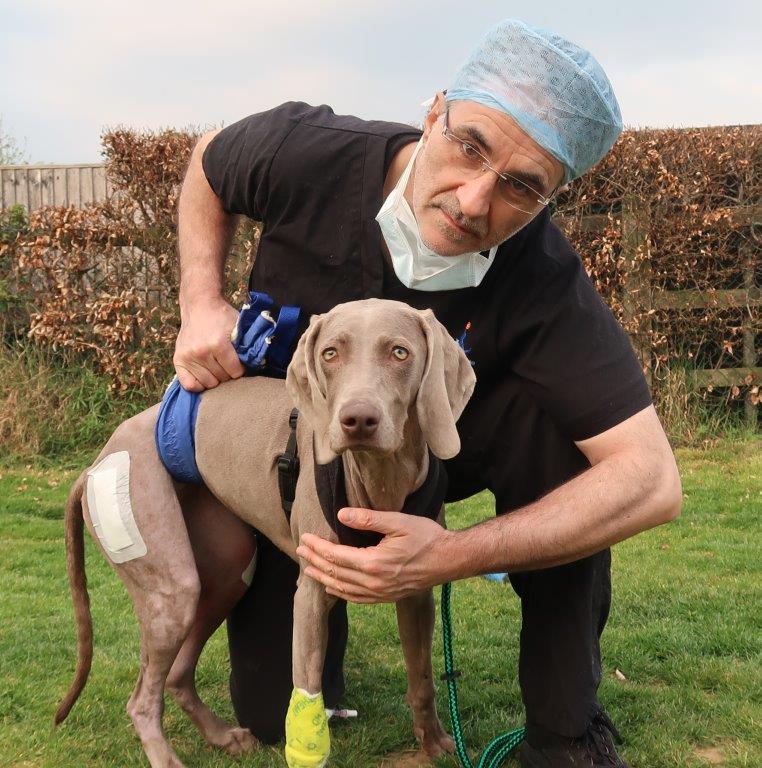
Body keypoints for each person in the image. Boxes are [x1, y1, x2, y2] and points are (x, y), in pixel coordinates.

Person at [174, 19, 682, 767]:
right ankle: (325, 655)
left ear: (553, 198)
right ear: (434, 110)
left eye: (521, 186)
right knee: (270, 712)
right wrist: (199, 300)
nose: (475, 201)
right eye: (469, 145)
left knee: (566, 449)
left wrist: (454, 553)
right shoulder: (311, 153)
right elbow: (208, 162)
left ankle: (564, 729)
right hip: (304, 450)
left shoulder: (542, 274)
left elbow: (652, 480)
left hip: (449, 445)